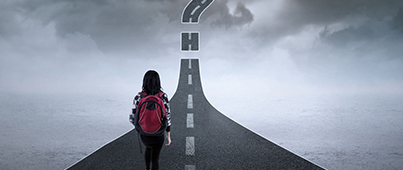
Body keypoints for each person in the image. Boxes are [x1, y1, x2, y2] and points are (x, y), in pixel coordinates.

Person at [132, 70, 171, 170]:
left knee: (148, 148)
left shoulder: (138, 97)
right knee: (155, 158)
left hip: (144, 133)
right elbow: (168, 117)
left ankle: (147, 169)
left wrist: (140, 127)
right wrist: (168, 135)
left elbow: (133, 117)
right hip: (158, 133)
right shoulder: (163, 97)